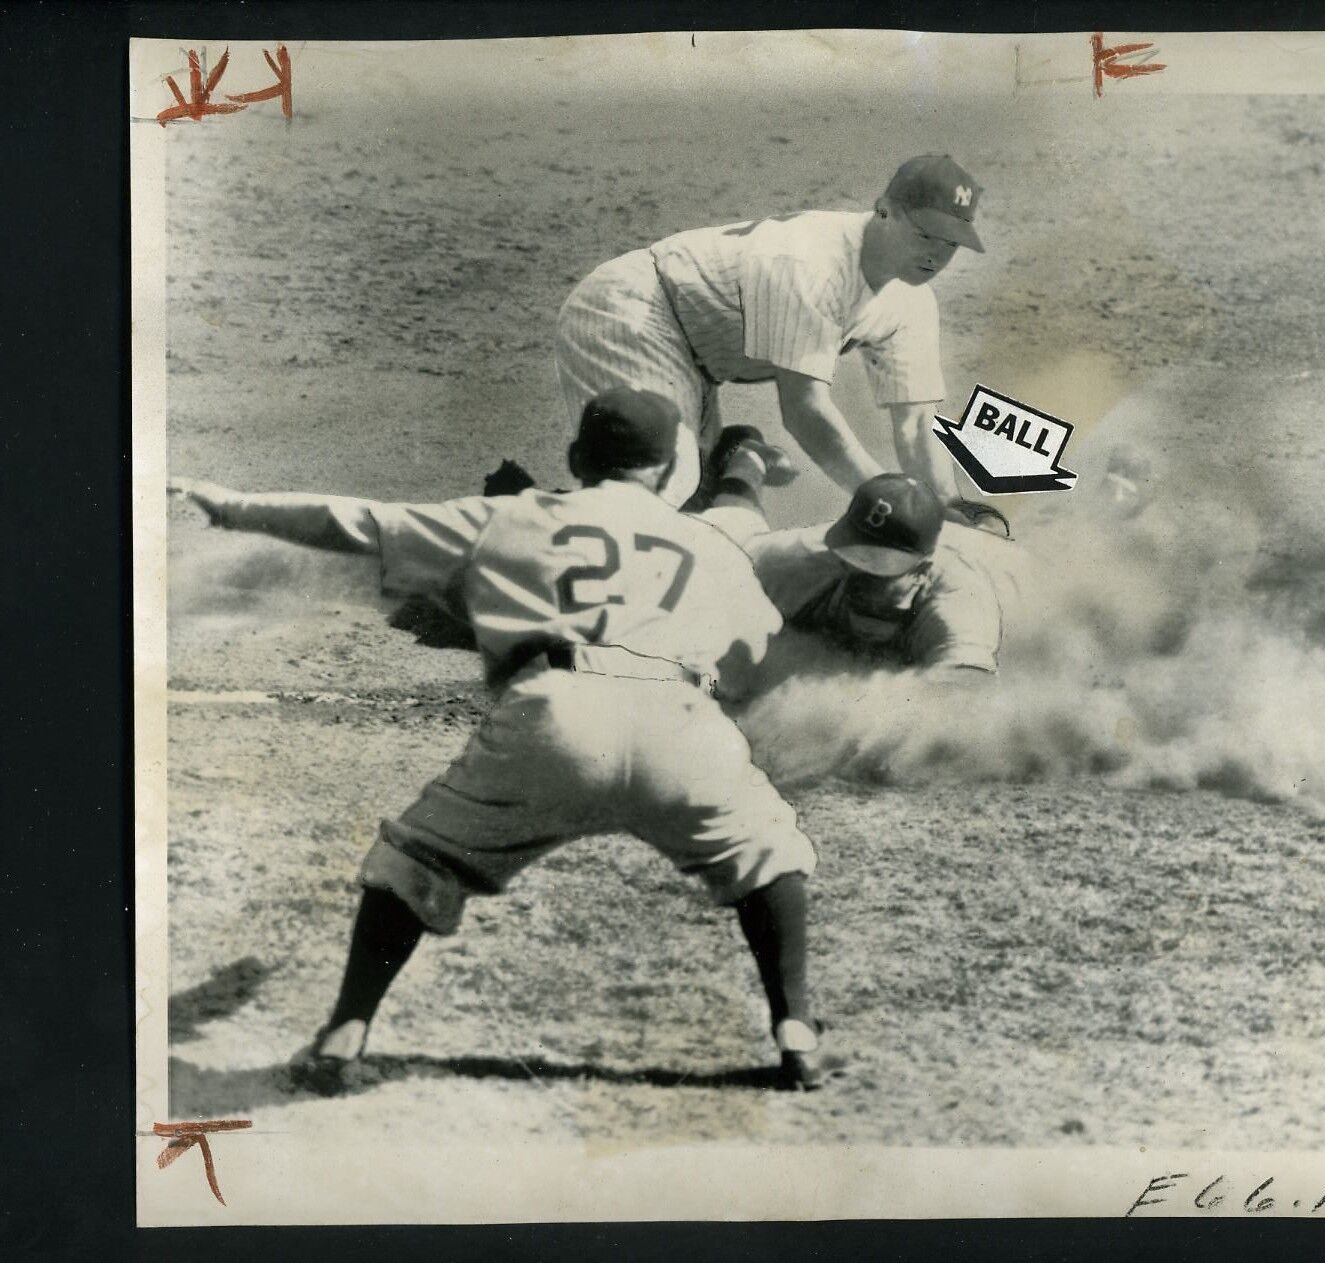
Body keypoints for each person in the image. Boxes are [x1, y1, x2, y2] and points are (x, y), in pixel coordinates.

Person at [169, 389, 842, 1092]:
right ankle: (795, 1031)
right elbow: (754, 657)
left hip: (554, 718)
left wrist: (234, 505)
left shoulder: (513, 515)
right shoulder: (711, 544)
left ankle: (343, 1035)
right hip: (681, 721)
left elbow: (358, 520)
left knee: (415, 857)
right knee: (767, 854)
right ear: (673, 464)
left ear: (578, 457)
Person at [556, 153, 995, 520]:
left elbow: (916, 420)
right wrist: (881, 499)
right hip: (634, 308)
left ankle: (734, 457)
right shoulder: (812, 264)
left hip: (699, 354)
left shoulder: (912, 302)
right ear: (884, 210)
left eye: (951, 243)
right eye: (924, 234)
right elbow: (805, 411)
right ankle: (537, 541)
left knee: (696, 510)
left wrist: (947, 502)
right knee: (657, 489)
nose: (936, 255)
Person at [703, 469, 1022, 673]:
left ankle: (976, 521)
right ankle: (746, 460)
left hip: (993, 562)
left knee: (987, 538)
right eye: (853, 560)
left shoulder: (959, 596)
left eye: (880, 570)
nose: (861, 579)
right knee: (726, 529)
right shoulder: (801, 558)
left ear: (922, 570)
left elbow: (963, 702)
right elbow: (710, 569)